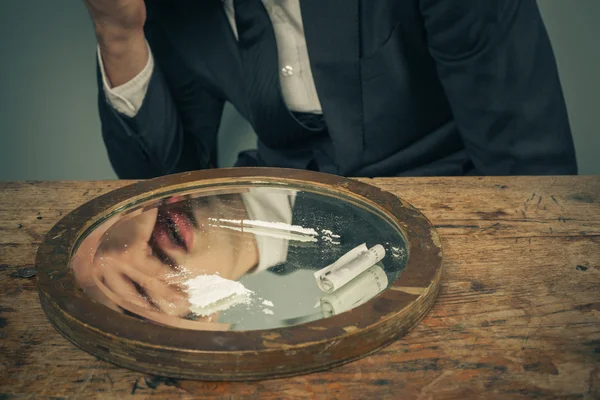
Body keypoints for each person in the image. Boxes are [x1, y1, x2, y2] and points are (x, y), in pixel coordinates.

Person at [84, 0, 577, 179]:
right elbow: (170, 190)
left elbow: (526, 163)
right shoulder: (174, 10)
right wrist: (118, 33)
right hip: (284, 236)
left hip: (448, 204)